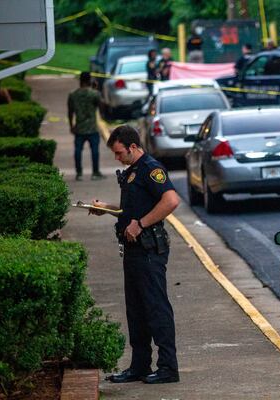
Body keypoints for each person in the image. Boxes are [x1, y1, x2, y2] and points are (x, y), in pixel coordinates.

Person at [90, 125, 180, 384]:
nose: (117, 158)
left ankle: (168, 368)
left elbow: (170, 201)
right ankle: (140, 365)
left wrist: (141, 224)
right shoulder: (133, 171)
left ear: (132, 147)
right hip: (133, 251)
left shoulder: (151, 169)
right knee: (136, 310)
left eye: (119, 153)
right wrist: (106, 209)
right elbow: (132, 209)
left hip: (149, 250)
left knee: (156, 308)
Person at [67, 71, 105, 181]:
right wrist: (96, 90)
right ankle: (95, 172)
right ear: (89, 80)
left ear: (80, 81)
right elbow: (101, 107)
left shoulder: (73, 94)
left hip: (79, 128)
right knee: (94, 151)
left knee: (78, 151)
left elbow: (70, 112)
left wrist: (71, 125)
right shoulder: (94, 94)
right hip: (92, 128)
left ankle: (79, 173)